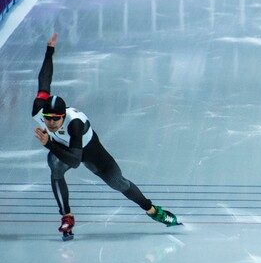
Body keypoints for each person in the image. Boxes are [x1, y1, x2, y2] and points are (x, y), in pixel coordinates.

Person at [33, 33, 179, 237]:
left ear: (63, 115)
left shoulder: (73, 123)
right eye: (47, 119)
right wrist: (49, 51)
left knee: (118, 182)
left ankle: (153, 210)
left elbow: (75, 161)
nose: (50, 123)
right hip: (66, 150)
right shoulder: (39, 111)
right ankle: (66, 216)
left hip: (90, 150)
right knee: (55, 165)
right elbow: (44, 81)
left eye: (55, 119)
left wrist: (49, 143)